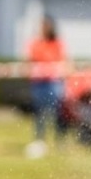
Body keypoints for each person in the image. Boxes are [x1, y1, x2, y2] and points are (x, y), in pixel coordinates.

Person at [26, 17, 68, 158]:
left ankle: (59, 140)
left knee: (58, 112)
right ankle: (40, 140)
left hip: (53, 82)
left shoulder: (57, 43)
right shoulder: (36, 43)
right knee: (39, 113)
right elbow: (32, 59)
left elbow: (62, 60)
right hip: (39, 83)